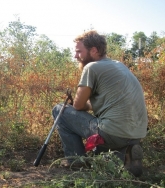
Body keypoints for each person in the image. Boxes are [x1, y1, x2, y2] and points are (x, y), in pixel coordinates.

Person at [52, 30, 148, 177]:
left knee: (60, 110)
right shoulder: (119, 65)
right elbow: (110, 101)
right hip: (137, 133)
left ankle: (76, 160)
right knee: (106, 163)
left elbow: (77, 106)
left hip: (111, 133)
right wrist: (90, 105)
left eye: (79, 51)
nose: (76, 56)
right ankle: (127, 153)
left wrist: (81, 105)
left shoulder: (91, 67)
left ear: (94, 50)